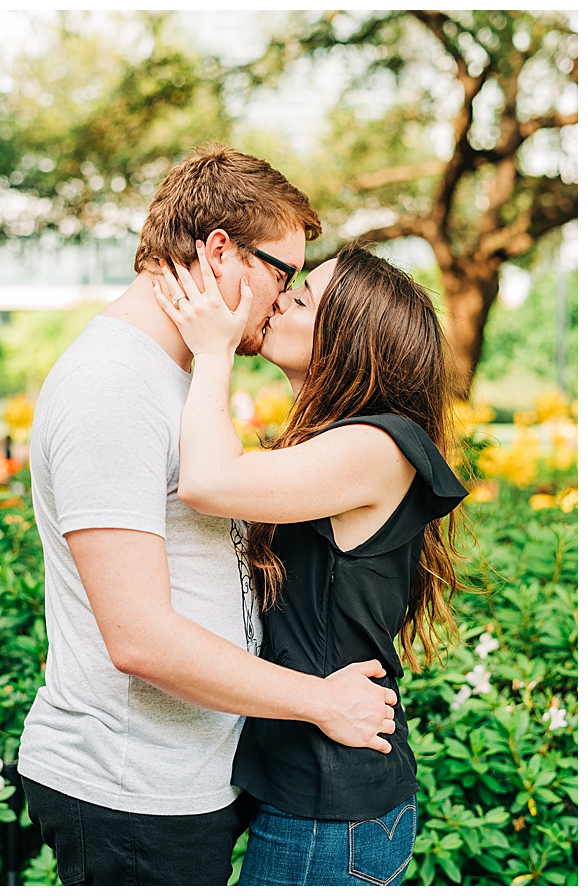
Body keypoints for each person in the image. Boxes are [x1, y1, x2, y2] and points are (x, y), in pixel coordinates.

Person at [16, 144, 399, 886]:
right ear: (221, 252)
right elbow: (139, 640)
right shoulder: (112, 385)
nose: (284, 298)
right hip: (130, 790)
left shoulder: (174, 376)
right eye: (282, 273)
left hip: (183, 781)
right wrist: (322, 702)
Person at [153, 242, 466, 885]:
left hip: (330, 807)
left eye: (304, 299)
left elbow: (207, 481)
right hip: (310, 787)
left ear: (349, 339)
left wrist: (213, 353)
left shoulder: (376, 445)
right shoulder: (337, 440)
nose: (280, 299)